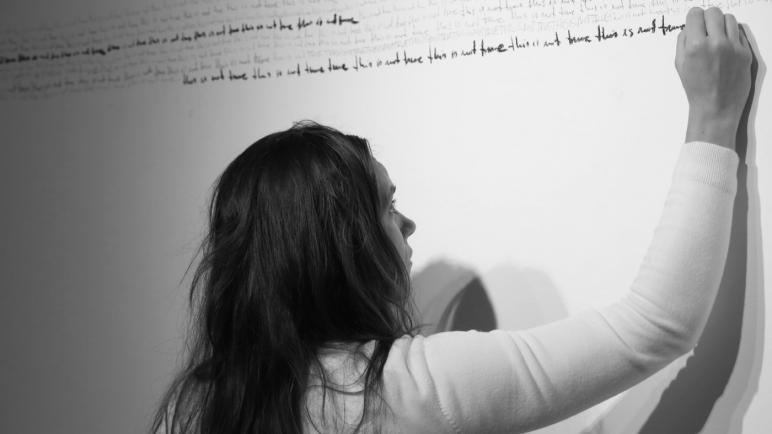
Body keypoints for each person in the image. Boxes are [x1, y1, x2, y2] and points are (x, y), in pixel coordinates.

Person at [151, 6, 753, 433]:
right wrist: (714, 117)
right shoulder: (404, 389)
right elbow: (655, 326)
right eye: (385, 205)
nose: (408, 223)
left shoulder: (194, 407)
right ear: (336, 245)